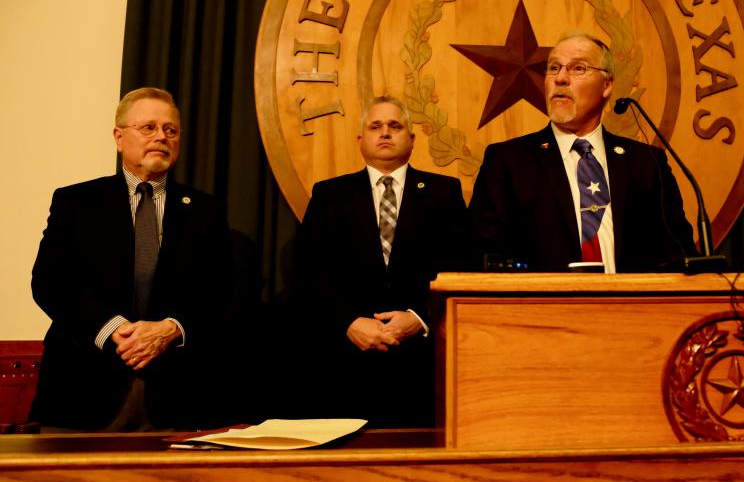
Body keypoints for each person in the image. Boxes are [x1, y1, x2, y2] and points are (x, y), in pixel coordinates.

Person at [30, 87, 232, 431]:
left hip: (178, 396)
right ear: (119, 137)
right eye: (148, 127)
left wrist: (172, 328)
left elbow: (221, 294)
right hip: (83, 388)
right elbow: (50, 283)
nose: (161, 137)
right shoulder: (77, 202)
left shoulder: (206, 211)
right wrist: (115, 329)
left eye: (170, 130)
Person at [290, 96, 472, 427]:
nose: (385, 133)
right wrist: (347, 322)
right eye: (375, 126)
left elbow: (461, 267)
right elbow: (307, 273)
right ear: (361, 140)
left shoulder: (444, 192)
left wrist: (419, 317)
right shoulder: (330, 194)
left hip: (421, 366)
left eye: (395, 126)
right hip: (345, 364)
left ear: (412, 140)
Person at [469, 31, 696, 272]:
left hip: (632, 304)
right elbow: (483, 255)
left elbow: (679, 253)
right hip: (543, 305)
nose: (561, 78)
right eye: (554, 68)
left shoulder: (647, 162)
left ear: (607, 85)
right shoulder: (508, 161)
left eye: (578, 69)